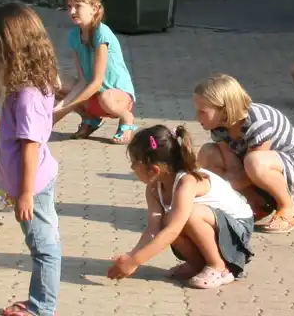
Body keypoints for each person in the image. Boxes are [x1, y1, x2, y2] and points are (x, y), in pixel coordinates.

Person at [0, 3, 64, 316]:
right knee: (43, 242)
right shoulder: (34, 84)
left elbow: (29, 146)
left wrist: (26, 192)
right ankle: (38, 300)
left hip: (35, 183)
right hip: (36, 179)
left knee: (44, 247)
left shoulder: (27, 94)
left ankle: (43, 309)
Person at [109, 124, 255, 292]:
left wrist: (136, 261)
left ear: (154, 169)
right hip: (216, 227)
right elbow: (153, 229)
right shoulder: (154, 188)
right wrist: (131, 257)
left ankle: (218, 267)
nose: (132, 168)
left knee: (187, 215)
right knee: (167, 219)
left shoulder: (187, 182)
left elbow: (173, 230)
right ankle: (198, 265)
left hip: (238, 230)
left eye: (135, 162)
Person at [193, 74, 294, 234]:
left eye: (202, 111)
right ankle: (257, 205)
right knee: (208, 153)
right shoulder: (218, 125)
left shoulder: (258, 122)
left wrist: (218, 187)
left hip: (293, 171)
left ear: (224, 109)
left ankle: (287, 208)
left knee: (254, 161)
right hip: (254, 169)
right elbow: (233, 166)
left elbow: (252, 170)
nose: (197, 116)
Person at [55, 0, 138, 141]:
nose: (72, 12)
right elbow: (83, 81)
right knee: (53, 82)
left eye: (78, 6)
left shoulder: (101, 33)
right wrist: (58, 109)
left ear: (94, 8)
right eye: (69, 6)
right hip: (94, 95)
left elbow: (96, 82)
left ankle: (127, 118)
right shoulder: (74, 35)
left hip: (116, 96)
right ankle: (90, 119)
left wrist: (64, 108)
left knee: (106, 97)